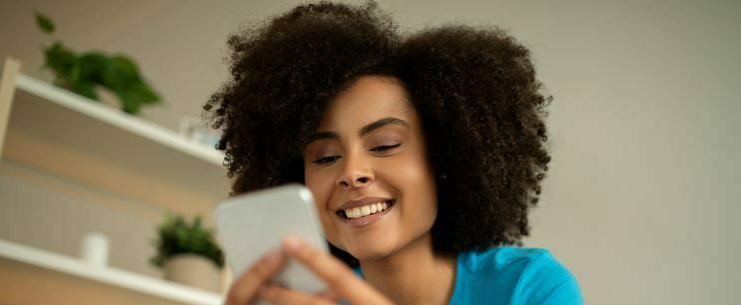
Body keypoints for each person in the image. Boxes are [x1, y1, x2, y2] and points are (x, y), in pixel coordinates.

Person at [204, 1, 583, 304]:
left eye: (384, 145)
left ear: (446, 158)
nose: (351, 172)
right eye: (324, 157)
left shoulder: (528, 287)